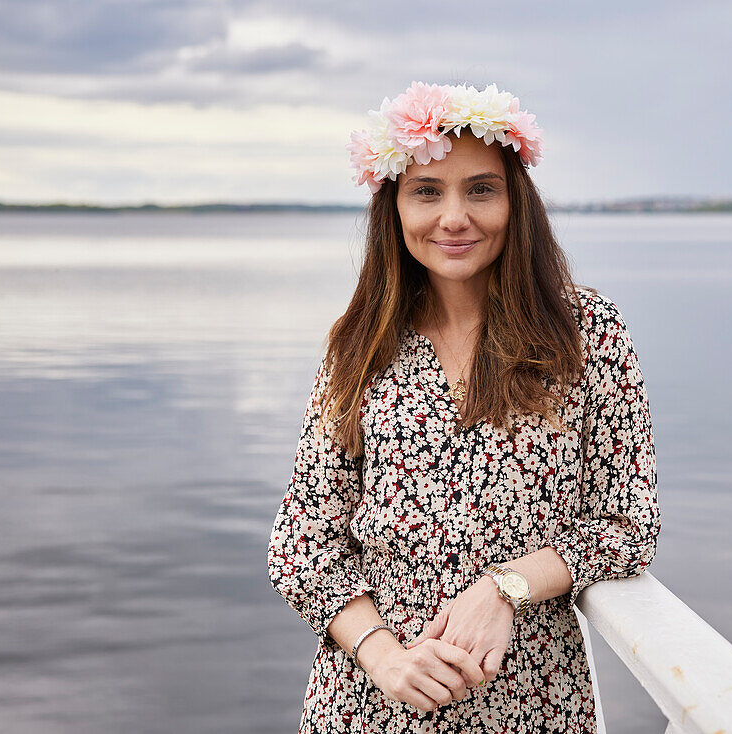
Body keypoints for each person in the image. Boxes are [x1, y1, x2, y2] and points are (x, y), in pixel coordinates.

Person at [268, 81, 660, 733]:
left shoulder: (584, 330)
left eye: (480, 188)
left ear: (515, 202)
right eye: (427, 191)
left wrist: (506, 586)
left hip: (532, 706)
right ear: (393, 206)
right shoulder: (359, 345)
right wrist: (384, 657)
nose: (454, 217)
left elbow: (628, 522)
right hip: (369, 707)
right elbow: (302, 539)